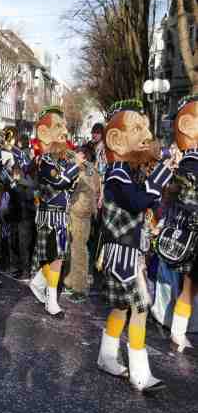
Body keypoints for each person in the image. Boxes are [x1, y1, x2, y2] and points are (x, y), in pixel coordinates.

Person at [97, 99, 177, 392]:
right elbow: (137, 200)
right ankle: (140, 373)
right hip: (123, 253)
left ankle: (106, 357)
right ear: (116, 140)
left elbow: (144, 198)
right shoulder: (117, 173)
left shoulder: (125, 172)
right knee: (140, 309)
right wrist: (162, 173)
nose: (146, 134)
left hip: (128, 251)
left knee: (121, 308)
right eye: (137, 128)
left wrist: (161, 170)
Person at [27, 106, 83, 318]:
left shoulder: (60, 160)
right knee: (56, 257)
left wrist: (73, 170)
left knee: (56, 256)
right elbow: (58, 181)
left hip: (61, 214)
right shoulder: (44, 160)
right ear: (44, 132)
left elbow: (67, 186)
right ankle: (51, 301)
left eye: (64, 126)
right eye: (59, 126)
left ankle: (39, 283)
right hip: (49, 214)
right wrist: (75, 167)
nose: (65, 131)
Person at [161, 95, 198, 352]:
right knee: (190, 284)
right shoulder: (191, 160)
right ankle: (178, 330)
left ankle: (179, 330)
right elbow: (184, 196)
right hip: (193, 232)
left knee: (191, 285)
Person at [63, 145, 101, 302]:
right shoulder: (89, 169)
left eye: (77, 154)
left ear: (83, 156)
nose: (74, 157)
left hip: (80, 213)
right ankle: (71, 281)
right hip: (77, 212)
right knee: (73, 249)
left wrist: (75, 168)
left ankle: (80, 288)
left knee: (79, 252)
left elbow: (86, 188)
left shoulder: (87, 171)